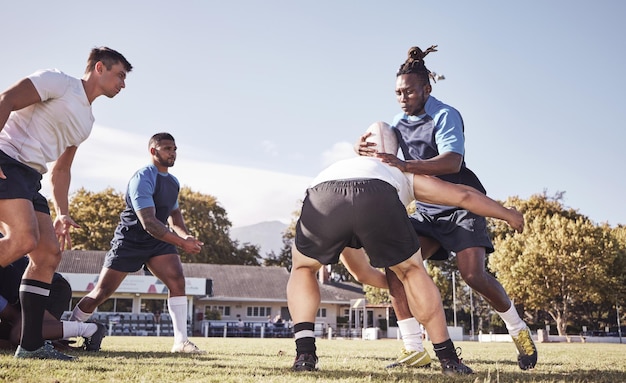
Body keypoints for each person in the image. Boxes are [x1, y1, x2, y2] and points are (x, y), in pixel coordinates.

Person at [288, 121, 523, 376]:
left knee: (303, 267)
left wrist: (398, 289)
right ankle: (448, 360)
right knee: (412, 271)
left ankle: (305, 354)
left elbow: (361, 274)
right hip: (377, 193)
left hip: (323, 195)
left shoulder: (339, 167)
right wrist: (507, 214)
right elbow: (463, 196)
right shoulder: (399, 170)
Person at [356, 45, 537, 370]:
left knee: (473, 275)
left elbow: (452, 162)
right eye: (398, 92)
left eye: (409, 91)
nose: (403, 97)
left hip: (460, 206)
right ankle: (413, 347)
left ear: (426, 88)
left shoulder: (445, 114)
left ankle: (518, 328)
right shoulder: (397, 122)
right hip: (426, 211)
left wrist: (406, 164)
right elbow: (385, 157)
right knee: (396, 264)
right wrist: (363, 148)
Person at [0, 46, 132, 360]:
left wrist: (63, 212)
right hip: (7, 160)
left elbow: (61, 169)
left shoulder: (86, 121)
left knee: (48, 254)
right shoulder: (58, 82)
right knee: (23, 239)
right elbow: (6, 99)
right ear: (100, 68)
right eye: (120, 76)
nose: (123, 85)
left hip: (32, 177)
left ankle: (30, 346)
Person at [69, 132, 205, 354]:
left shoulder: (173, 182)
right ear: (153, 151)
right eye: (167, 148)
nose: (173, 153)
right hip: (131, 240)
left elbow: (174, 215)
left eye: (175, 149)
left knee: (177, 281)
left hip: (159, 242)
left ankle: (181, 342)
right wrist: (181, 243)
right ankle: (65, 332)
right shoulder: (143, 177)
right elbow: (149, 223)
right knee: (101, 293)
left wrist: (185, 235)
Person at [0, 256, 106, 355]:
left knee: (20, 335)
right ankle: (51, 339)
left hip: (49, 287)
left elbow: (12, 316)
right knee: (17, 334)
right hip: (26, 293)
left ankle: (90, 329)